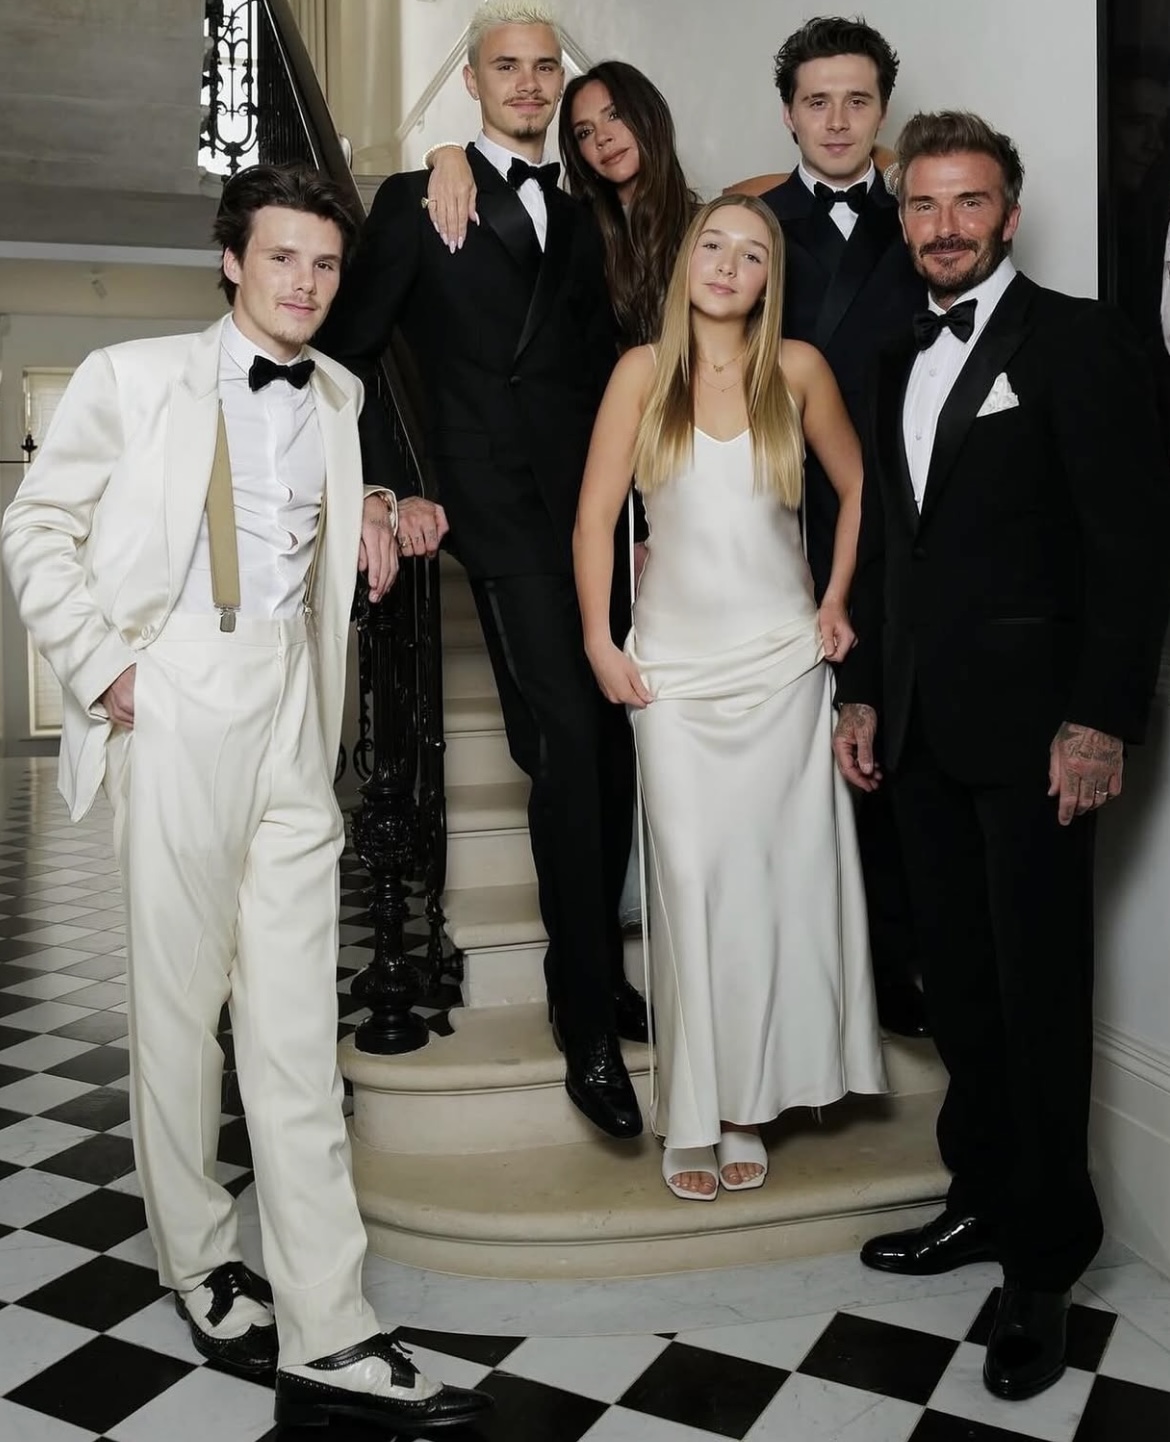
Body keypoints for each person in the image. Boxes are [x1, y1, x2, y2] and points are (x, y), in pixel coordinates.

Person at [0, 165, 490, 1434]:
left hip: (292, 708)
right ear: (232, 260)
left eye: (324, 265)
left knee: (294, 1024)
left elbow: (318, 510)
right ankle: (200, 1259)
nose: (305, 284)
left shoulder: (339, 392)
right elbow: (34, 526)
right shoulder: (133, 376)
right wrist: (104, 667)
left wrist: (374, 501)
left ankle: (329, 1327)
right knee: (178, 1009)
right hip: (176, 689)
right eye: (281, 258)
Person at [833, 112, 1170, 1402]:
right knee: (960, 986)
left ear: (1009, 215)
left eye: (968, 202)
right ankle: (979, 1194)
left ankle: (1047, 1254)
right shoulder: (891, 351)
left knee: (1037, 993)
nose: (945, 226)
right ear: (903, 216)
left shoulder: (1081, 341)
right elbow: (888, 544)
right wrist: (866, 693)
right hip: (921, 727)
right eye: (923, 205)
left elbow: (1133, 544)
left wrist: (1100, 718)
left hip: (1040, 736)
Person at [314, 0, 647, 1141]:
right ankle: (584, 1015)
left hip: (602, 506)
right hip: (498, 510)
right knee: (568, 740)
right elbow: (346, 354)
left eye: (545, 67)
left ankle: (589, 967)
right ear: (471, 81)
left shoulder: (597, 205)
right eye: (507, 66)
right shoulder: (419, 201)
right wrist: (391, 485)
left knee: (610, 744)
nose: (529, 83)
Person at [574, 194, 886, 1200]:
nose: (726, 264)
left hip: (783, 669)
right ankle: (690, 1110)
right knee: (689, 884)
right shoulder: (641, 372)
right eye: (712, 244)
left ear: (768, 279)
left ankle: (743, 1104)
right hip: (672, 675)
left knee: (765, 889)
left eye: (751, 254)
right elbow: (594, 521)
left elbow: (862, 487)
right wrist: (598, 639)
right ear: (686, 261)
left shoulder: (797, 369)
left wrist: (835, 599)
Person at [736, 16, 929, 1042]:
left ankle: (894, 968)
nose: (839, 120)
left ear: (883, 110)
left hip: (910, 508)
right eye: (818, 101)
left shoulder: (926, 214)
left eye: (858, 101)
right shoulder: (751, 223)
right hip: (779, 510)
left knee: (888, 736)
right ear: (789, 114)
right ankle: (795, 980)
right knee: (789, 757)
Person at [426, 58, 697, 350]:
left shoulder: (705, 228)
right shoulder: (577, 232)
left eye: (614, 115)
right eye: (585, 132)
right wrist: (446, 153)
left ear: (648, 116)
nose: (602, 138)